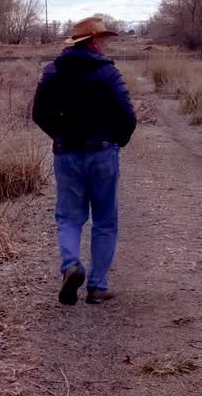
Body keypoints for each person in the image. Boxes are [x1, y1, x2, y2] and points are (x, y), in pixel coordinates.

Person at [32, 16, 137, 305]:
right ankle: (97, 286)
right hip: (103, 151)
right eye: (102, 39)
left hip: (66, 153)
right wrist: (117, 141)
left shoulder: (53, 72)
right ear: (93, 41)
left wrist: (60, 135)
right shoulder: (108, 73)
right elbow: (127, 115)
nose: (105, 44)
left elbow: (39, 114)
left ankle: (71, 266)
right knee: (105, 220)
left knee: (68, 217)